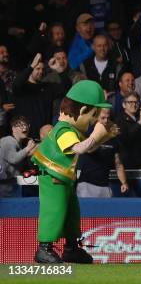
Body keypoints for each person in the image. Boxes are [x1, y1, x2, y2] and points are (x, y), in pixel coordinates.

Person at [32, 80, 118, 263]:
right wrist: (96, 134)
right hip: (52, 177)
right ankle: (44, 248)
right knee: (54, 210)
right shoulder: (63, 130)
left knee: (72, 213)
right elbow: (79, 149)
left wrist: (105, 136)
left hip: (64, 178)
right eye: (94, 114)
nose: (95, 119)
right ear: (82, 109)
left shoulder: (73, 130)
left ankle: (71, 248)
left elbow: (88, 148)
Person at [76, 108, 129, 197]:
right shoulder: (89, 132)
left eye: (108, 118)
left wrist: (123, 182)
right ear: (96, 118)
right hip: (86, 184)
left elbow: (118, 162)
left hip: (105, 185)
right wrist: (106, 137)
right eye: (103, 118)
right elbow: (88, 149)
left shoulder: (113, 136)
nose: (106, 120)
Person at [0, 116, 37, 197]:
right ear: (13, 128)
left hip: (12, 185)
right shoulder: (8, 140)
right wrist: (28, 148)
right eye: (21, 125)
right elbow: (13, 159)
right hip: (3, 187)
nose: (24, 127)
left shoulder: (18, 144)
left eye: (26, 125)